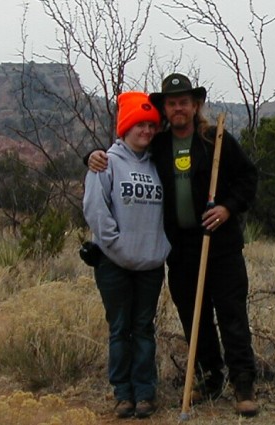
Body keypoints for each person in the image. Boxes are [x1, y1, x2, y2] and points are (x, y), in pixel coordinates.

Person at [87, 74, 259, 416]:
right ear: (165, 109)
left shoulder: (216, 139)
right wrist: (90, 158)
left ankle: (243, 384)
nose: (178, 108)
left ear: (195, 106)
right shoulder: (159, 145)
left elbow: (248, 178)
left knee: (231, 312)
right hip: (180, 248)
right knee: (193, 315)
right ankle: (210, 378)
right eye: (172, 103)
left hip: (219, 243)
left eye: (184, 102)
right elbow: (124, 153)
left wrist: (227, 208)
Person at [83, 92, 171, 419]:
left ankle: (145, 392)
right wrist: (116, 246)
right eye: (139, 125)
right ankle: (123, 394)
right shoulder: (106, 163)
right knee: (120, 329)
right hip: (113, 263)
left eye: (151, 125)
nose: (146, 131)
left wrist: (161, 248)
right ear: (126, 127)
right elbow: (95, 210)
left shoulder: (158, 165)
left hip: (150, 263)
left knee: (144, 328)